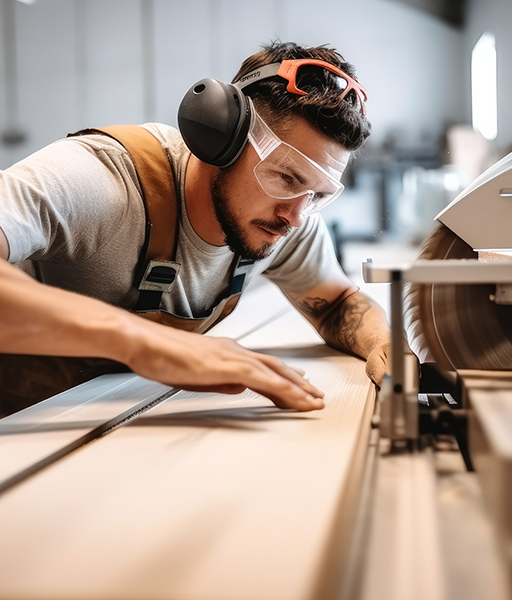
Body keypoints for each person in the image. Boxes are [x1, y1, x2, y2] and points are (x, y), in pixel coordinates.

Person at [0, 41, 390, 416]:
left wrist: (384, 344)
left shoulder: (283, 218)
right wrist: (147, 344)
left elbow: (337, 304)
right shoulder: (100, 180)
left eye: (318, 194)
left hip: (90, 425)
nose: (297, 216)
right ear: (222, 136)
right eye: (286, 178)